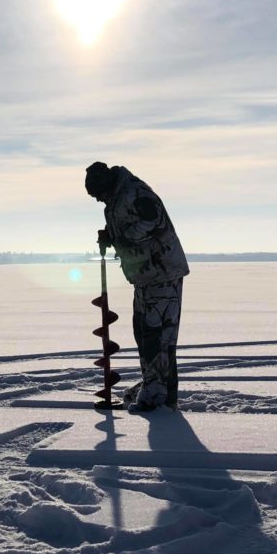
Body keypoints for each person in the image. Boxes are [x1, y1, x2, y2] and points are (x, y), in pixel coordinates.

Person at [84, 161, 189, 411]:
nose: (99, 200)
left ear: (105, 184)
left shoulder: (135, 193)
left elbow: (153, 222)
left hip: (162, 273)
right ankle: (159, 389)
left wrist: (119, 238)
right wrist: (110, 234)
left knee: (157, 335)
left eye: (98, 194)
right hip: (146, 275)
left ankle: (156, 395)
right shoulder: (117, 199)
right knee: (144, 332)